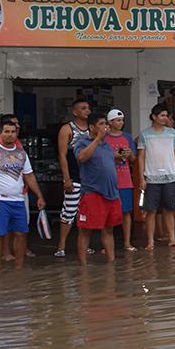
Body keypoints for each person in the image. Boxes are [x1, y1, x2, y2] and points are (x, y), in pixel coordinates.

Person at [0, 121, 46, 271]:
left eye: (13, 132)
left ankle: (19, 269)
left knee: (21, 234)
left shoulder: (22, 154)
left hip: (18, 200)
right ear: (0, 133)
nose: (10, 135)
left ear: (17, 134)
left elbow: (29, 176)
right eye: (6, 131)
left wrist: (39, 196)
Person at [73, 112, 121, 265]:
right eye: (101, 124)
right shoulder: (82, 142)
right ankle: (83, 266)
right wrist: (97, 139)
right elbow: (81, 157)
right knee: (85, 230)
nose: (105, 127)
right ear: (91, 127)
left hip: (111, 194)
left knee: (108, 229)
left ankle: (111, 262)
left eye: (105, 124)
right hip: (93, 193)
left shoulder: (106, 146)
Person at [136, 104, 175, 250]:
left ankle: (172, 238)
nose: (165, 118)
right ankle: (150, 241)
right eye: (162, 115)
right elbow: (141, 157)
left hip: (170, 177)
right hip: (151, 178)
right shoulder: (144, 135)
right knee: (150, 211)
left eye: (166, 116)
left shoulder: (172, 133)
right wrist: (141, 178)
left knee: (169, 209)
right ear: (153, 117)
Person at [55, 99, 91, 258]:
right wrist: (66, 178)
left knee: (86, 212)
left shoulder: (92, 129)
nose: (87, 111)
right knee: (69, 212)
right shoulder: (67, 129)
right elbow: (62, 155)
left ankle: (84, 245)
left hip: (89, 179)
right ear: (75, 112)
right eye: (83, 108)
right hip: (74, 177)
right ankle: (61, 246)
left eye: (88, 108)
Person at [104, 109, 137, 252]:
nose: (121, 123)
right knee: (107, 213)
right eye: (118, 120)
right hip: (108, 181)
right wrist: (113, 156)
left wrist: (129, 155)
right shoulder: (103, 138)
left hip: (125, 180)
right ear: (110, 122)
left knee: (126, 212)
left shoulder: (128, 137)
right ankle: (106, 245)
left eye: (122, 120)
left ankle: (127, 242)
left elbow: (134, 159)